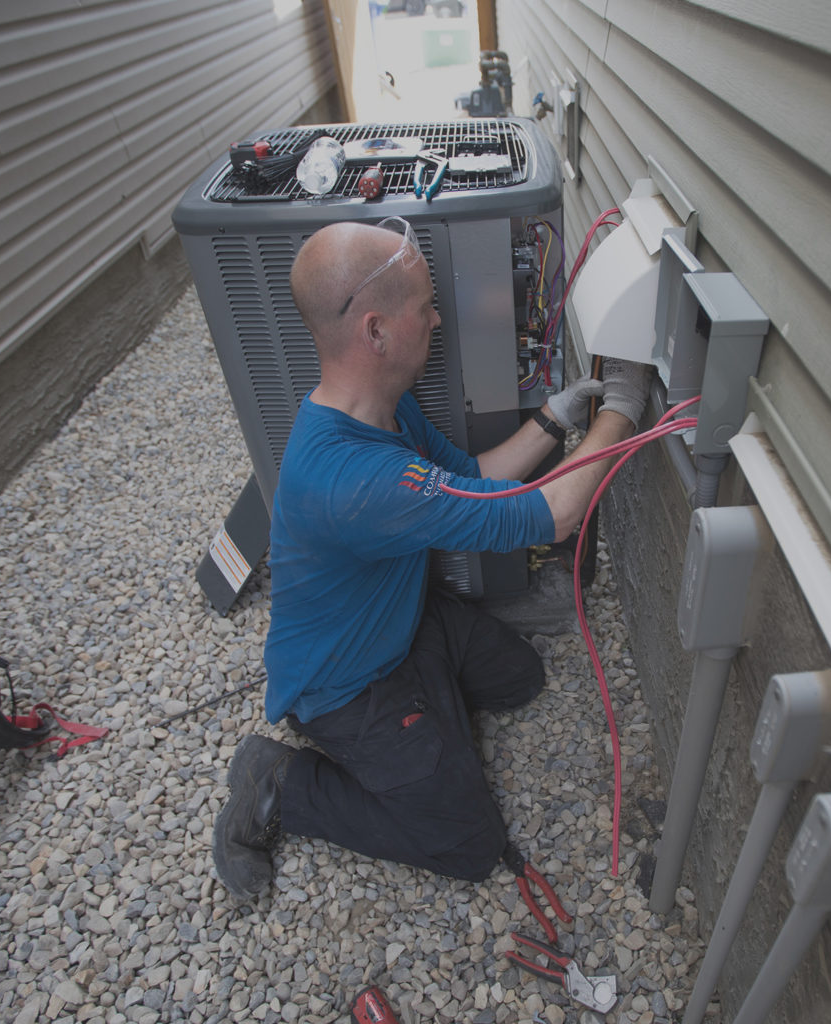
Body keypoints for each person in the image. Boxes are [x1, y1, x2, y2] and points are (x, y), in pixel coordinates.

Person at [213, 216, 650, 903]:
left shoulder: (378, 408)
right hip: (346, 687)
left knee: (519, 679)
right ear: (377, 331)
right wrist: (623, 410)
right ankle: (278, 781)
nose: (439, 319)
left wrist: (557, 420)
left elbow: (475, 475)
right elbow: (555, 514)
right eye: (425, 307)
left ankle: (427, 718)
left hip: (406, 624)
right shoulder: (358, 481)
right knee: (469, 844)